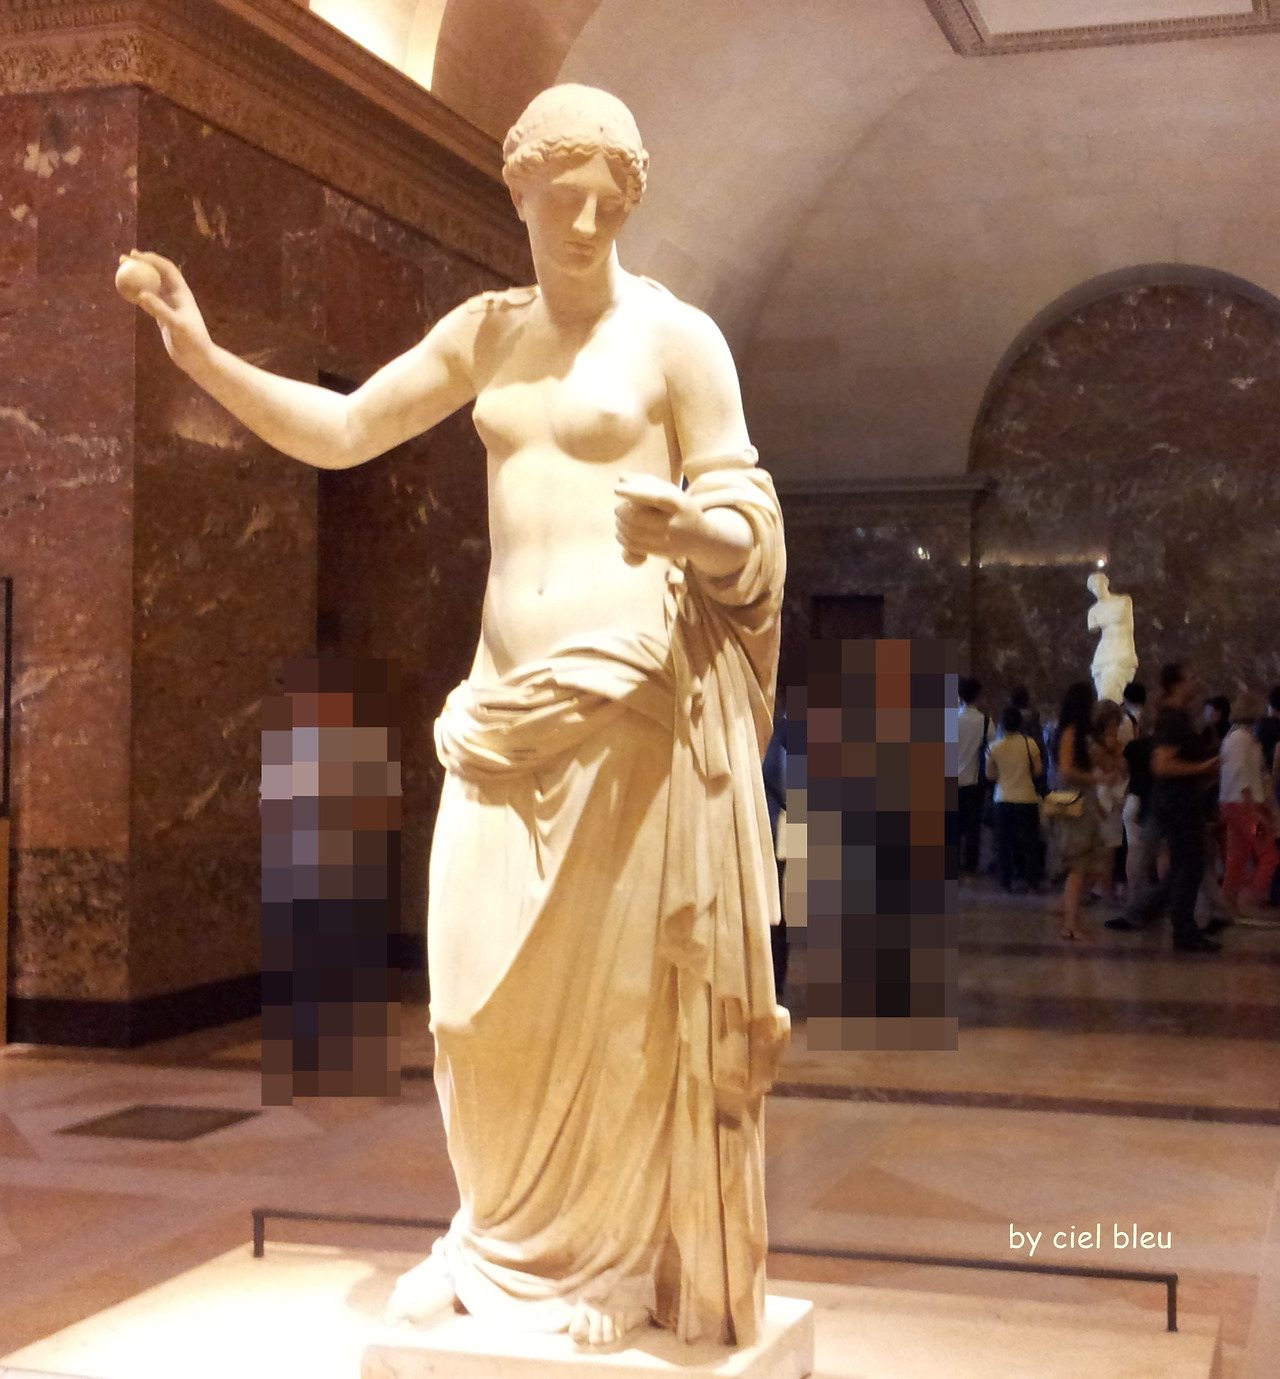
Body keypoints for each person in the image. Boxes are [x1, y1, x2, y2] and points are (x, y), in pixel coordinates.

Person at [119, 84, 787, 1349]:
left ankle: (603, 1261)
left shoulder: (676, 339)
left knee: (610, 1010)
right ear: (516, 190)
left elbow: (746, 513)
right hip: (496, 714)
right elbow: (343, 429)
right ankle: (497, 1236)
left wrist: (691, 530)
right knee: (473, 1003)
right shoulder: (484, 334)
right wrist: (201, 355)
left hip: (624, 710)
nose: (584, 222)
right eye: (562, 196)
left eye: (608, 200)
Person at [1124, 664, 1221, 952]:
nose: (1196, 681)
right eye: (1191, 677)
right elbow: (1162, 765)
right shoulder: (1172, 720)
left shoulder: (1177, 718)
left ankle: (1149, 911)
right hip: (1177, 803)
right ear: (1177, 684)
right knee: (1189, 864)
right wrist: (1203, 767)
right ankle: (1182, 928)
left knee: (1184, 865)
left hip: (1179, 801)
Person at [1049, 681, 1107, 941]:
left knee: (1087, 864)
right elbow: (1066, 771)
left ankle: (1070, 912)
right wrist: (1095, 779)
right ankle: (1070, 923)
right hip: (1075, 802)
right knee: (1078, 865)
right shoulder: (1070, 733)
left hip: (1081, 801)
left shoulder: (1077, 734)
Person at [1219, 700, 1278, 913]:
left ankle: (1229, 899)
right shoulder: (1242, 739)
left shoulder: (1238, 738)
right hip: (1244, 804)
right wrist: (1255, 810)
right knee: (1269, 854)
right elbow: (1243, 776)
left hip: (1236, 803)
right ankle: (1250, 898)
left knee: (1237, 855)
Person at [984, 704, 1043, 892]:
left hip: (1002, 798)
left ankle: (1005, 881)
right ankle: (1032, 880)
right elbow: (1038, 770)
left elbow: (990, 775)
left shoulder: (994, 747)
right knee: (1030, 842)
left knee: (1004, 843)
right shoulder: (1029, 743)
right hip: (1027, 797)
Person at [1086, 572, 1138, 705]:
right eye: (1093, 588)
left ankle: (1113, 711)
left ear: (1106, 584)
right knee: (1103, 691)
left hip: (1122, 648)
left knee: (1114, 685)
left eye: (1099, 585)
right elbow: (1093, 628)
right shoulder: (1093, 611)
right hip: (1104, 651)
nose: (1097, 590)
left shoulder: (1123, 601)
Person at [956, 676, 990, 877]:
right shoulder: (985, 721)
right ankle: (970, 866)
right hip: (974, 780)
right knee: (972, 826)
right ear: (977, 696)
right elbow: (992, 747)